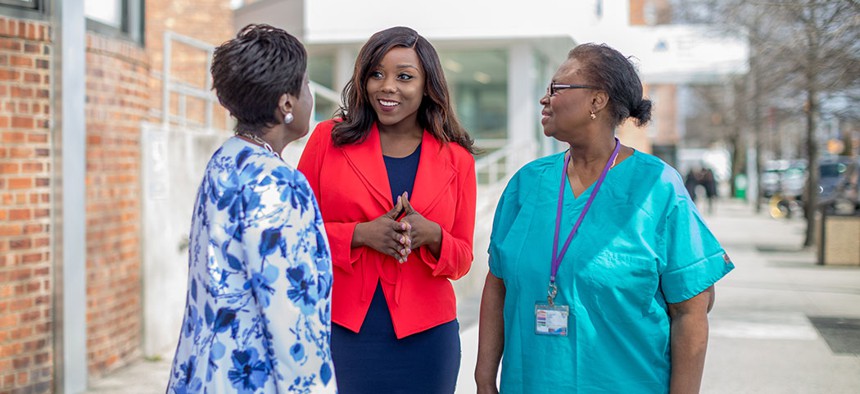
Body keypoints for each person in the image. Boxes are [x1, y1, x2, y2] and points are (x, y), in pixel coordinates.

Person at [475, 43, 734, 393]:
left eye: (556, 88)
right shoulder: (527, 184)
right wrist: (484, 378)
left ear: (597, 101)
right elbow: (498, 283)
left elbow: (692, 311)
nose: (544, 99)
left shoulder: (657, 188)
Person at [297, 26, 477, 393]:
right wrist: (359, 235)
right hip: (341, 331)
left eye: (404, 76)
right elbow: (295, 233)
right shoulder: (327, 141)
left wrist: (433, 235)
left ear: (428, 86)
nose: (387, 86)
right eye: (376, 74)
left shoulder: (457, 160)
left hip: (428, 339)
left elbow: (462, 259)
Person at [167, 24, 336, 393]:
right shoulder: (280, 184)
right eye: (305, 85)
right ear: (286, 104)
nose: (310, 96)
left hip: (204, 375)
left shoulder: (225, 161)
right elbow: (294, 321)